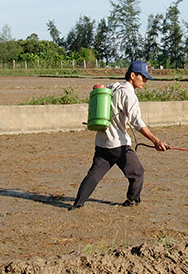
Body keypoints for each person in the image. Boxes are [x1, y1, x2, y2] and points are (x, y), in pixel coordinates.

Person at [69, 61, 168, 210]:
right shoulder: (128, 93)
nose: (145, 81)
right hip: (118, 144)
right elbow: (136, 121)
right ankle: (132, 201)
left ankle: (77, 204)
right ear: (132, 75)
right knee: (137, 173)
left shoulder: (113, 87)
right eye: (143, 77)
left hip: (102, 142)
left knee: (94, 175)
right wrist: (155, 140)